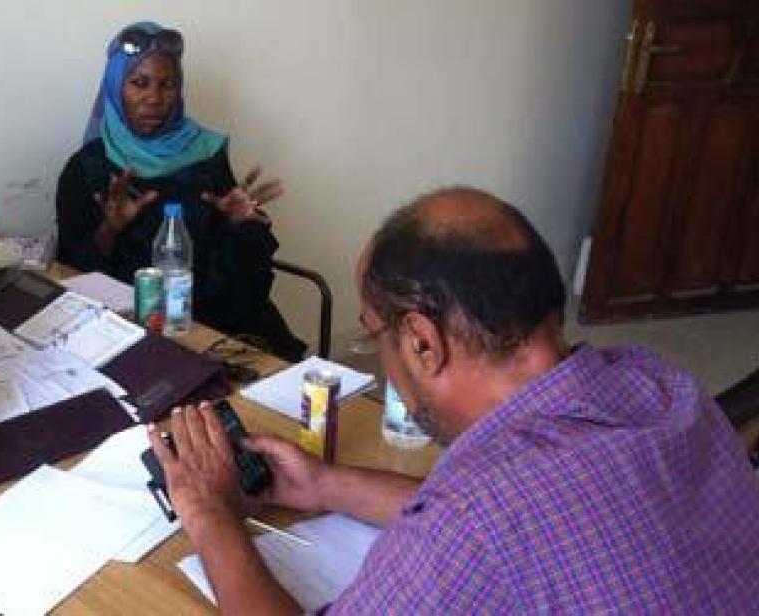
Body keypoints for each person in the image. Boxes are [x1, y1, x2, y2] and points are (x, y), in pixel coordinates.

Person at [149, 187, 759, 613]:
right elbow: (541, 525)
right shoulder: (654, 383)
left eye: (374, 330)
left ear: (421, 341)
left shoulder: (475, 523)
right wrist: (324, 485)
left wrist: (210, 515)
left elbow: (486, 525)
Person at [56, 22, 306, 361]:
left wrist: (241, 226)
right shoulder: (87, 168)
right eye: (139, 83)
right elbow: (70, 277)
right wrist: (109, 230)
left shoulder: (206, 153)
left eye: (168, 84)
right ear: (116, 88)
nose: (154, 99)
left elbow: (244, 276)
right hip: (128, 333)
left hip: (221, 323)